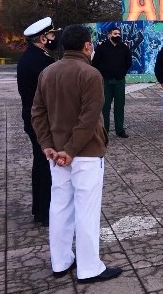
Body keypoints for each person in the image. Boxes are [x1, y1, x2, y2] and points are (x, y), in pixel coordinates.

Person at [31, 24, 122, 283]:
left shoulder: (47, 72)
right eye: (91, 43)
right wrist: (70, 150)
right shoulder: (90, 74)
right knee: (87, 210)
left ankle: (60, 261)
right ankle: (89, 267)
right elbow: (89, 119)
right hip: (85, 152)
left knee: (59, 207)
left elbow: (37, 112)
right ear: (86, 45)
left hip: (56, 154)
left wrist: (47, 145)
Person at [16, 16, 58, 227]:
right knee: (46, 165)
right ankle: (47, 211)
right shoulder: (42, 62)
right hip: (41, 121)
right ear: (43, 38)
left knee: (39, 162)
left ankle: (39, 210)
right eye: (51, 35)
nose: (53, 38)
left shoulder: (28, 58)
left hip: (31, 117)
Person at [92, 26, 132, 138]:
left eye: (119, 34)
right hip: (106, 81)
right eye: (115, 34)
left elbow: (128, 63)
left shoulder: (124, 48)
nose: (117, 36)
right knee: (105, 106)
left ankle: (120, 130)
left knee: (119, 106)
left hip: (119, 81)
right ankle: (105, 131)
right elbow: (95, 63)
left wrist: (122, 72)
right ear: (109, 35)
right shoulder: (102, 47)